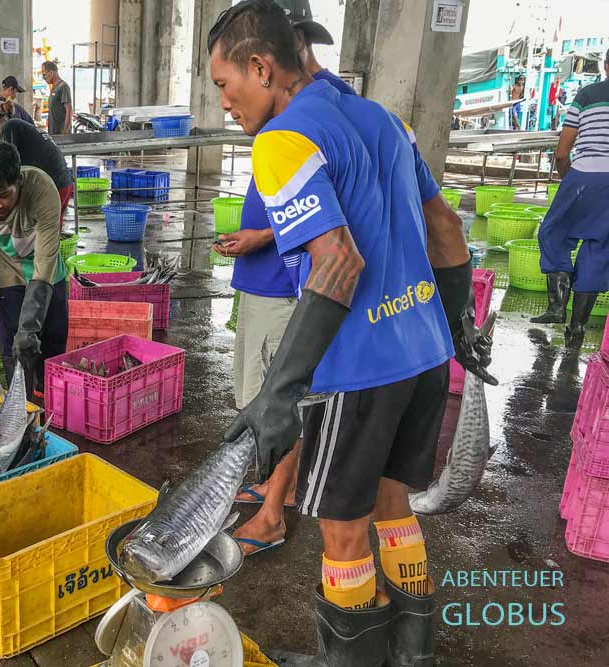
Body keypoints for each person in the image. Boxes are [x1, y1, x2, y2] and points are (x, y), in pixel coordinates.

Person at [208, 3, 495, 665]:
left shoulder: (280, 141)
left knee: (343, 532)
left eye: (226, 85)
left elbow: (337, 258)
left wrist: (279, 391)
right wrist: (459, 327)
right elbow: (446, 230)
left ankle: (350, 659)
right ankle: (411, 652)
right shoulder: (381, 119)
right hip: (424, 351)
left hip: (358, 365)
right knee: (395, 505)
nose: (225, 102)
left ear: (261, 67)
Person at [223, 0, 355, 557]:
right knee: (262, 393)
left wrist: (264, 239)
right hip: (268, 277)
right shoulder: (286, 121)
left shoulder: (314, 116)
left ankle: (274, 511)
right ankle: (279, 489)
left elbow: (337, 242)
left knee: (280, 397)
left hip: (291, 285)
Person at [0, 141, 69, 397]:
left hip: (45, 264)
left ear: (18, 181)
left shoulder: (41, 189)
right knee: (12, 342)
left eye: (3, 195)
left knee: (52, 335)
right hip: (6, 265)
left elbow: (45, 261)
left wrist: (30, 326)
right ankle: (21, 402)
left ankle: (51, 397)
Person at [531, 49, 609, 348]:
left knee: (553, 232)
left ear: (605, 65)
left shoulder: (587, 94)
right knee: (600, 247)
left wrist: (569, 178)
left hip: (584, 173)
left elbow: (563, 151)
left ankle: (556, 308)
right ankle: (577, 328)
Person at [0, 99, 74, 227]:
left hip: (54, 186)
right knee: (50, 233)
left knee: (39, 232)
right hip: (63, 183)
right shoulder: (17, 126)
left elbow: (8, 169)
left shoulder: (10, 128)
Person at [41, 61, 73, 135]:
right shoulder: (54, 88)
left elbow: (69, 110)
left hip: (60, 133)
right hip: (53, 132)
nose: (44, 78)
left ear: (52, 72)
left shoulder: (63, 87)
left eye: (44, 75)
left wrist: (64, 132)